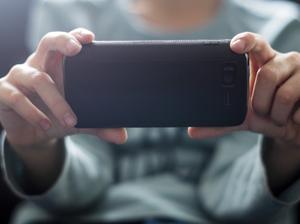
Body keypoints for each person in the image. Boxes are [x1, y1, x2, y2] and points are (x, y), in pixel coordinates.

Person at [1, 0, 300, 223]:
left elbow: (231, 200)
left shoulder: (280, 27)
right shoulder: (69, 12)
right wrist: (37, 147)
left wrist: (288, 149)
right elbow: (79, 187)